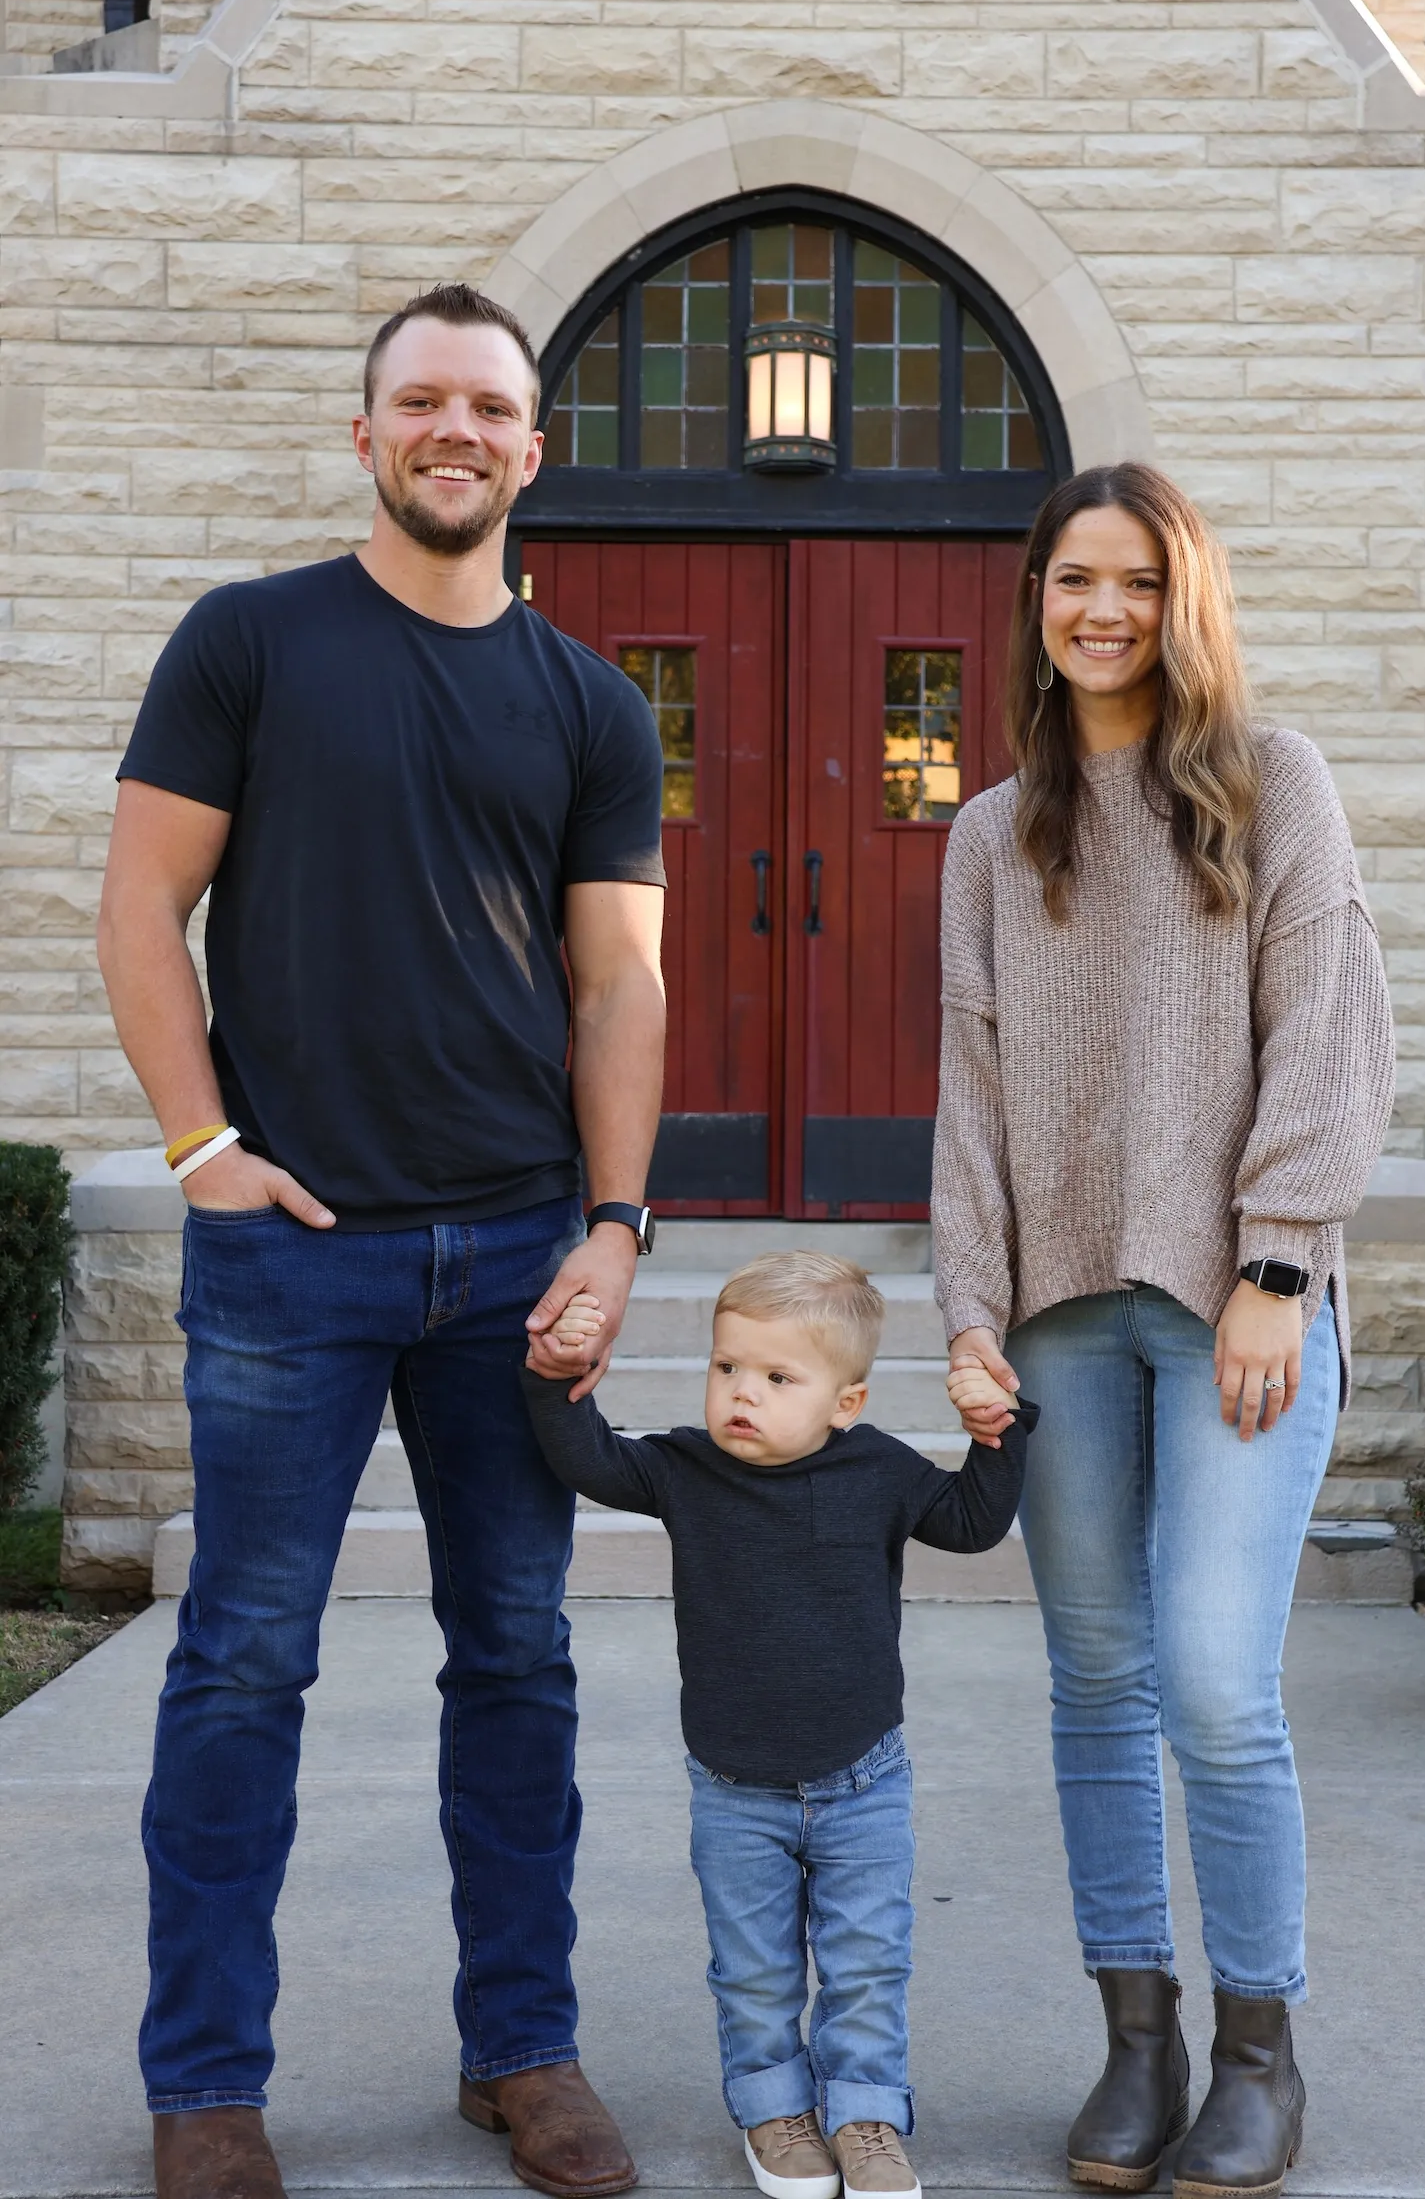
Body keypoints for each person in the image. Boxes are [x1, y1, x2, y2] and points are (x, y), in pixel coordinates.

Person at [96, 282, 668, 2199]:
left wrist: (613, 1224)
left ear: (533, 446)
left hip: (512, 1261)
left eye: (490, 406)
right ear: (367, 435)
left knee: (517, 1658)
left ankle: (524, 2050)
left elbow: (620, 987)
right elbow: (139, 909)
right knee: (244, 1664)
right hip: (293, 1259)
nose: (457, 430)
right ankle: (205, 2086)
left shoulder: (588, 700)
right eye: (419, 400)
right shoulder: (248, 642)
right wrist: (203, 1148)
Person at [932, 464, 1395, 2199]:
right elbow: (969, 1096)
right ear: (1037, 605)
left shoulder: (1275, 785)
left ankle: (1263, 2051)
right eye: (1071, 582)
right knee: (1098, 1686)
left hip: (1233, 1317)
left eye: (1133, 581)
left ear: (1181, 598)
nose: (1101, 610)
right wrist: (970, 1314)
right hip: (1058, 1322)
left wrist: (1277, 1267)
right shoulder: (992, 830)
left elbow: (1333, 1036)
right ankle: (1139, 2042)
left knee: (1213, 1683)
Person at [520, 1253, 1037, 2199]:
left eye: (776, 1377)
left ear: (847, 1401)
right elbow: (592, 1459)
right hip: (735, 1787)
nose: (741, 1395)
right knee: (754, 1971)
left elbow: (968, 1525)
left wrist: (996, 1438)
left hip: (864, 1780)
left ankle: (867, 2114)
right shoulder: (687, 1468)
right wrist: (557, 1380)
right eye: (727, 1369)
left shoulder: (878, 1468)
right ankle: (775, 2109)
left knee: (868, 1963)